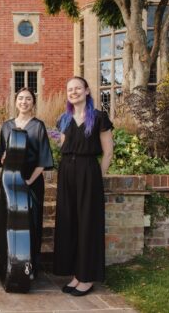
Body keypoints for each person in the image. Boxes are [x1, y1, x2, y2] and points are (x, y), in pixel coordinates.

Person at [53, 76, 113, 297]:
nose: (74, 92)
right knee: (69, 222)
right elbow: (63, 145)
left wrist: (98, 175)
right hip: (67, 170)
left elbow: (108, 152)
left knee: (88, 223)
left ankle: (87, 277)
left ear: (87, 91)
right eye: (70, 89)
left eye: (78, 88)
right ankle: (76, 275)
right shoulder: (64, 119)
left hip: (89, 172)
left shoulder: (99, 117)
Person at [0, 87, 54, 277]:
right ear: (15, 101)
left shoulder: (38, 126)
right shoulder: (6, 126)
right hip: (10, 183)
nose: (24, 102)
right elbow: (1, 155)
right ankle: (9, 264)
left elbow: (43, 160)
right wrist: (3, 157)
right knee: (6, 222)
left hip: (30, 182)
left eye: (28, 99)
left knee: (31, 225)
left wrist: (28, 181)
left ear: (33, 103)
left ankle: (29, 267)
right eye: (20, 98)